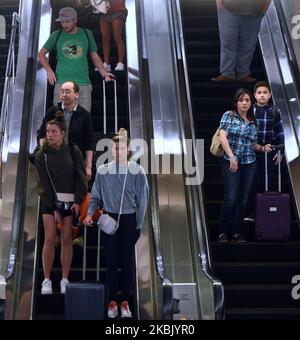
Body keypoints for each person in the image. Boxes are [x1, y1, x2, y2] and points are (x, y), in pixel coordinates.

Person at [83, 128, 149, 319]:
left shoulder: (137, 170)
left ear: (127, 149)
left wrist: (138, 224)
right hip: (109, 218)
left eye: (121, 148)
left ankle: (125, 302)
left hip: (129, 219)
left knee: (127, 261)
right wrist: (89, 215)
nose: (118, 151)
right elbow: (94, 196)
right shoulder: (103, 171)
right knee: (111, 261)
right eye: (115, 148)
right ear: (111, 149)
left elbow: (143, 200)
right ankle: (112, 301)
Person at [35, 118, 88, 295]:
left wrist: (78, 201)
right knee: (50, 238)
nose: (49, 135)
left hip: (71, 201)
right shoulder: (42, 154)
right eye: (47, 132)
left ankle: (65, 279)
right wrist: (55, 208)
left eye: (54, 131)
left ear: (63, 133)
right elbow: (43, 183)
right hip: (50, 201)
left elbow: (81, 176)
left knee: (67, 239)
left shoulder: (73, 150)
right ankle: (47, 280)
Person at [38, 6, 114, 112]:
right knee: (61, 123)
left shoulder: (87, 33)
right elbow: (41, 54)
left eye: (67, 22)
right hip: (62, 85)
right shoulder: (56, 35)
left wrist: (104, 73)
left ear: (75, 20)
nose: (64, 25)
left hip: (83, 85)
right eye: (62, 22)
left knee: (83, 122)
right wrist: (49, 71)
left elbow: (95, 56)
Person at [218, 88, 258, 243]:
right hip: (230, 161)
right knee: (231, 197)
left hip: (249, 162)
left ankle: (237, 232)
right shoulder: (229, 115)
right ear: (236, 102)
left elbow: (253, 144)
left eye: (247, 100)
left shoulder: (253, 121)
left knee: (243, 200)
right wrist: (232, 157)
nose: (244, 103)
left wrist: (262, 147)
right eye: (241, 100)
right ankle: (222, 232)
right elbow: (222, 137)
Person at [37, 81, 94, 181]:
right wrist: (44, 152)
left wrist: (88, 166)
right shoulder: (52, 111)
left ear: (76, 94)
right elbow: (42, 134)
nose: (64, 94)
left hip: (74, 160)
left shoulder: (84, 115)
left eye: (67, 92)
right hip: (53, 158)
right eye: (62, 91)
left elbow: (89, 143)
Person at [245, 81, 285, 221]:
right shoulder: (251, 110)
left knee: (268, 180)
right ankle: (252, 212)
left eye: (265, 93)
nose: (262, 95)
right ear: (254, 95)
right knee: (253, 181)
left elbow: (279, 132)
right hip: (252, 151)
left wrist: (281, 151)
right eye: (259, 93)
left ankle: (266, 209)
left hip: (269, 150)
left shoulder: (275, 111)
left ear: (270, 95)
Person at [212, 0, 271, 83]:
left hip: (255, 10)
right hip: (227, 8)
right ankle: (227, 73)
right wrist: (219, 4)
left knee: (248, 45)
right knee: (227, 42)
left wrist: (265, 8)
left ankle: (243, 74)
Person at [97, 0, 127, 72]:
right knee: (104, 38)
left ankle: (120, 63)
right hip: (103, 10)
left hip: (117, 9)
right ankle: (106, 63)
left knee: (117, 36)